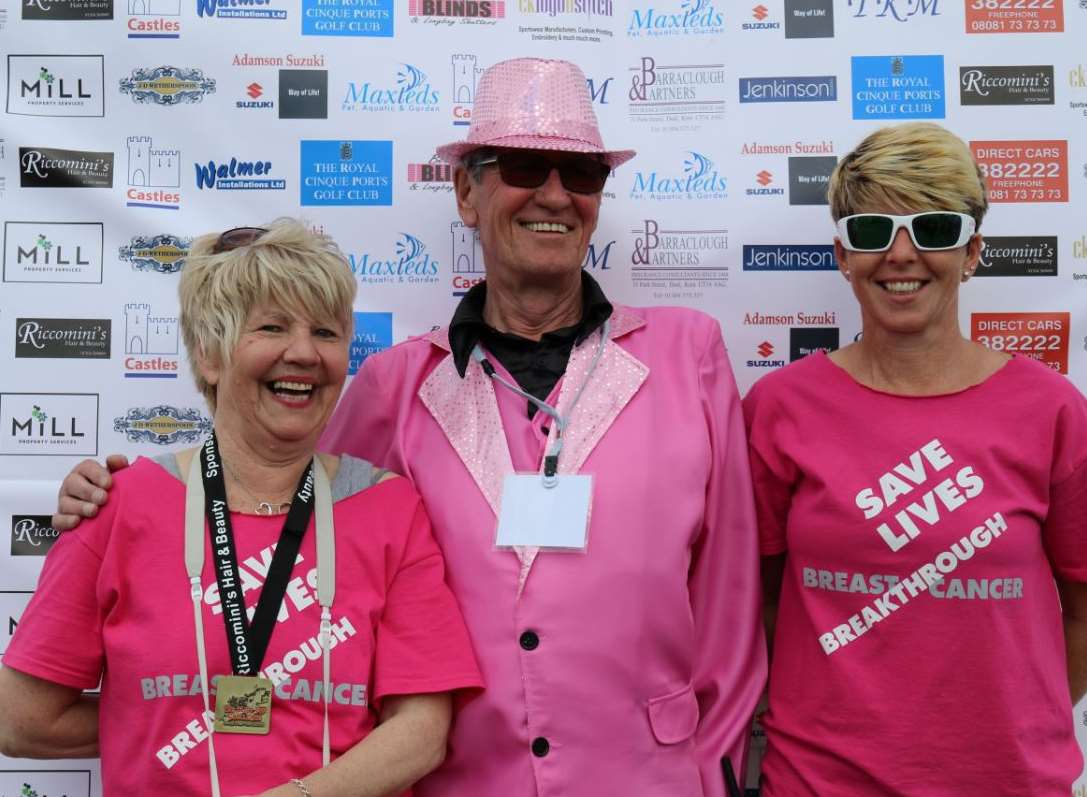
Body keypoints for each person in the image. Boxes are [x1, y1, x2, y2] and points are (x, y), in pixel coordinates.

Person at [52, 58, 765, 797]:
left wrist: (711, 768)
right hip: (455, 780)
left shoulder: (690, 354)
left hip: (649, 778)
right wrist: (112, 498)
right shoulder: (394, 383)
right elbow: (281, 519)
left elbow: (730, 598)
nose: (554, 193)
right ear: (466, 191)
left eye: (581, 173)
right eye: (524, 166)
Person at [2, 220, 482, 797]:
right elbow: (22, 719)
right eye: (272, 327)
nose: (303, 353)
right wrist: (170, 723)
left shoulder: (388, 509)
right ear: (210, 355)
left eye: (326, 333)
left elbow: (423, 730)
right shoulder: (118, 505)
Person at [744, 122, 1087, 796]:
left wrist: (1010, 717)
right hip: (820, 780)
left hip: (1008, 780)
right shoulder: (778, 407)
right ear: (843, 255)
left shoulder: (1051, 409)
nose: (900, 255)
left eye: (933, 230)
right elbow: (753, 602)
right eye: (872, 232)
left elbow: (1082, 606)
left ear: (972, 253)